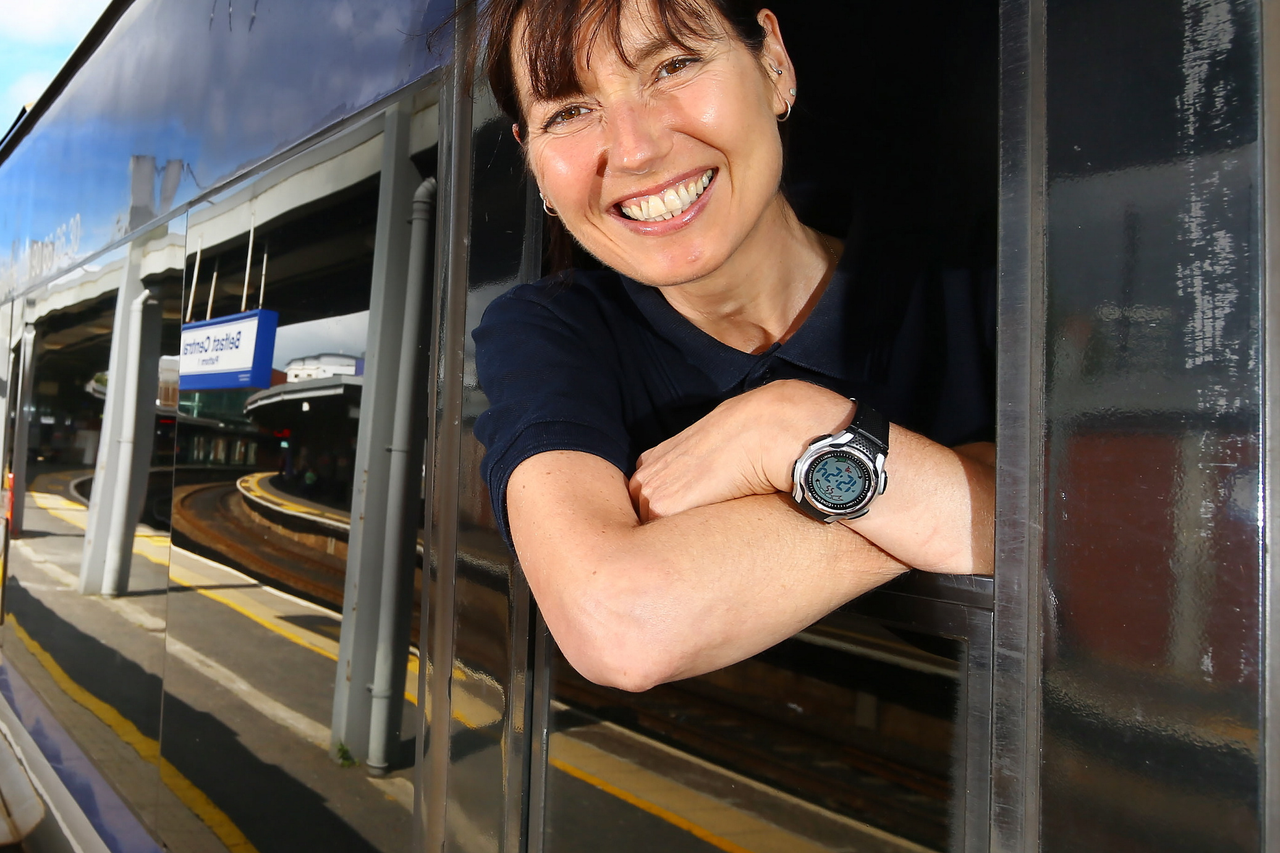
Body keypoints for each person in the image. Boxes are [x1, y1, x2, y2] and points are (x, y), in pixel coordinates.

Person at [471, 0, 996, 693]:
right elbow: (623, 625)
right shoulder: (551, 334)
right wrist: (971, 495)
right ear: (534, 162)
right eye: (568, 112)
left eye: (675, 64)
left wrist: (785, 429)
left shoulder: (981, 275)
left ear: (774, 63)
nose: (634, 149)